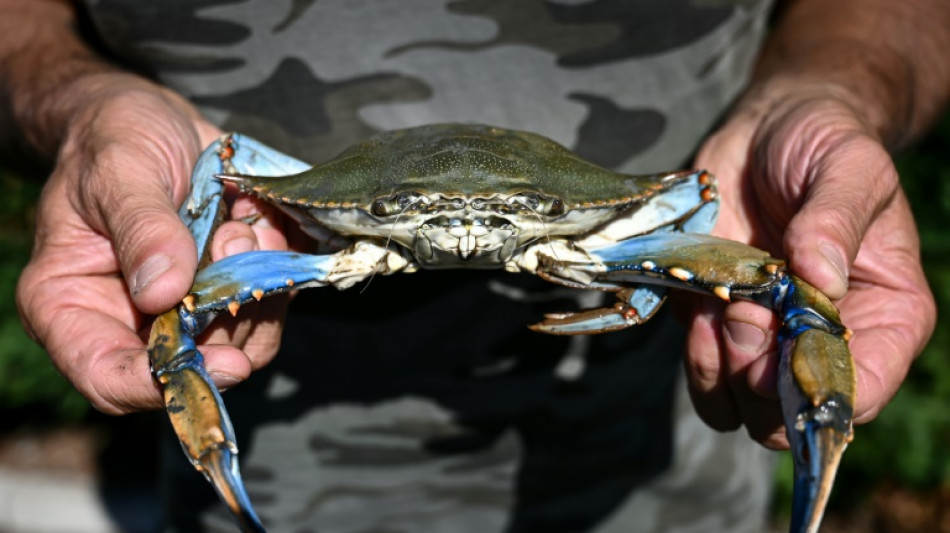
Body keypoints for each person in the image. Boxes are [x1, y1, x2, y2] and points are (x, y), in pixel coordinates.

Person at [6, 0, 947, 531]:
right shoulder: (277, 206)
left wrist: (838, 86)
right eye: (413, 218)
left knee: (792, 292)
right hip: (269, 504)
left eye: (513, 218)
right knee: (179, 325)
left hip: (661, 489)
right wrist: (76, 101)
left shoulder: (658, 210)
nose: (464, 233)